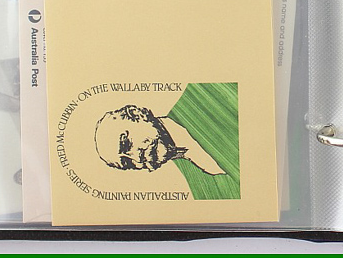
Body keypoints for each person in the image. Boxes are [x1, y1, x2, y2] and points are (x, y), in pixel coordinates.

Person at [94, 82, 240, 200]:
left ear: (136, 114)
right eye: (127, 162)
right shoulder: (197, 185)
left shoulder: (205, 95)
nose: (136, 158)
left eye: (126, 144)